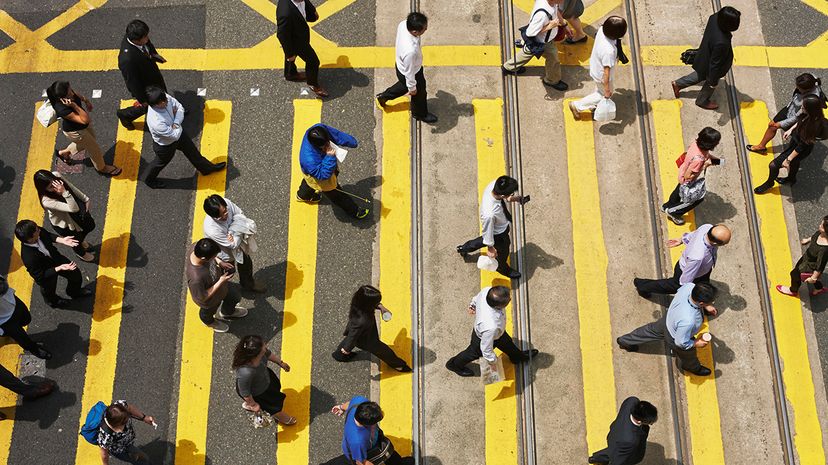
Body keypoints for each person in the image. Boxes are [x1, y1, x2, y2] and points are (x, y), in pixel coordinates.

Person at [619, 283, 716, 377]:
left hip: (668, 319)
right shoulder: (689, 321)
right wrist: (695, 343)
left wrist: (706, 305)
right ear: (701, 303)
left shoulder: (689, 286)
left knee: (648, 331)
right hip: (674, 336)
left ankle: (625, 341)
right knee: (688, 355)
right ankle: (692, 367)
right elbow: (681, 342)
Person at [445, 286, 538, 377]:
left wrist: (472, 305)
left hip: (498, 333)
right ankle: (454, 365)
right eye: (507, 301)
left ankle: (517, 357)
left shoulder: (487, 291)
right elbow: (486, 349)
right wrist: (493, 362)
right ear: (497, 306)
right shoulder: (491, 326)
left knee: (507, 343)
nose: (510, 299)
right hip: (484, 337)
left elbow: (477, 298)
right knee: (472, 353)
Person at [143, 86, 225, 189]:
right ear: (152, 105)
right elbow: (174, 135)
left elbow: (180, 108)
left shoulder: (164, 97)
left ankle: (206, 169)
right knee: (160, 162)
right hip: (165, 145)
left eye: (164, 100)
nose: (164, 103)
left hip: (178, 133)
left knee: (193, 152)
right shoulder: (156, 121)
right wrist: (176, 120)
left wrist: (176, 123)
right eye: (160, 103)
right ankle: (148, 179)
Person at [633, 223, 730, 307]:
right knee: (671, 286)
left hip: (703, 270)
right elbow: (686, 279)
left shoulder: (707, 227)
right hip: (687, 271)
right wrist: (684, 290)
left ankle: (705, 302)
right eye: (724, 243)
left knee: (704, 285)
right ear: (714, 242)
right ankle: (642, 286)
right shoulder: (697, 256)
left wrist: (682, 239)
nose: (726, 244)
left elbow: (695, 233)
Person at [754, 95, 827, 194]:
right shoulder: (811, 115)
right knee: (795, 163)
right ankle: (791, 178)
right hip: (797, 140)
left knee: (773, 165)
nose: (801, 108)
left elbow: (801, 146)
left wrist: (788, 160)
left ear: (810, 109)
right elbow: (801, 120)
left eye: (803, 107)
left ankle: (769, 183)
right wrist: (791, 129)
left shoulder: (813, 127)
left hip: (801, 148)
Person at [46, 81, 121, 176]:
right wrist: (74, 105)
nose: (72, 91)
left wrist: (86, 100)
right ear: (64, 96)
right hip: (76, 132)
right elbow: (85, 120)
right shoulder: (62, 109)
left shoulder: (68, 92)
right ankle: (102, 168)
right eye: (69, 91)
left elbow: (76, 94)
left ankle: (65, 153)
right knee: (94, 149)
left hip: (82, 128)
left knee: (91, 140)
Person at [671, 6, 740, 110]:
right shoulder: (722, 43)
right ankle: (702, 101)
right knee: (708, 80)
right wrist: (713, 82)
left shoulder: (714, 18)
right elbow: (715, 65)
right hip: (713, 62)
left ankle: (678, 84)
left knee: (700, 74)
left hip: (705, 54)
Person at [295, 124, 370, 219]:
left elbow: (336, 134)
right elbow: (323, 175)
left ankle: (303, 195)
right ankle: (354, 211)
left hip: (311, 174)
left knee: (310, 182)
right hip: (321, 178)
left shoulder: (318, 129)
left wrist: (351, 142)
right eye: (325, 145)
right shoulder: (309, 161)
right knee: (336, 195)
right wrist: (330, 157)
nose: (328, 145)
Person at [456, 176, 523, 279]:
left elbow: (504, 198)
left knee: (481, 241)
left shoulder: (494, 185)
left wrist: (515, 199)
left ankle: (464, 248)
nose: (512, 195)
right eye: (511, 193)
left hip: (498, 226)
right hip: (498, 234)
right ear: (501, 195)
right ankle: (502, 268)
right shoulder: (490, 214)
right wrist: (490, 248)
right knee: (503, 252)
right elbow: (487, 231)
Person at [332, 285, 412, 372]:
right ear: (368, 304)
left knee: (349, 342)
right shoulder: (361, 321)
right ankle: (398, 365)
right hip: (366, 340)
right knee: (384, 351)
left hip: (360, 330)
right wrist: (347, 348)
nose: (378, 303)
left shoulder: (358, 302)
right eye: (376, 302)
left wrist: (381, 307)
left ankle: (339, 355)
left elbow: (353, 334)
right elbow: (353, 335)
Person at [375, 12, 437, 124]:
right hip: (411, 71)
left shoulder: (403, 24)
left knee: (403, 85)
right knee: (420, 94)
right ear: (414, 31)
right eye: (424, 28)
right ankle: (420, 114)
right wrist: (412, 88)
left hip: (400, 66)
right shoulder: (410, 51)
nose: (426, 29)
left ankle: (384, 96)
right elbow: (409, 72)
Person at [15, 220, 91, 309]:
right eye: (36, 230)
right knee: (49, 291)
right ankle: (54, 302)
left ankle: (74, 292)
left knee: (75, 274)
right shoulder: (28, 257)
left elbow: (48, 235)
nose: (39, 229)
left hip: (56, 259)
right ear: (30, 239)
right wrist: (59, 268)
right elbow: (39, 276)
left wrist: (62, 240)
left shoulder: (38, 231)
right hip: (46, 273)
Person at [747, 73, 825, 154]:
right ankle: (761, 146)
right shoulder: (811, 79)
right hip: (790, 108)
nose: (796, 88)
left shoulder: (809, 100)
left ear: (807, 90)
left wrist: (781, 124)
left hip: (797, 117)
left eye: (799, 88)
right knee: (771, 125)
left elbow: (797, 116)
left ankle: (794, 154)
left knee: (791, 136)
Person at [501, 0, 569, 92]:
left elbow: (555, 12)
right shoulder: (542, 15)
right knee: (553, 59)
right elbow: (530, 33)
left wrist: (564, 25)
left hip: (545, 39)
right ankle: (552, 80)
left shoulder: (551, 3)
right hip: (542, 42)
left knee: (527, 52)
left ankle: (509, 67)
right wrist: (549, 26)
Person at [203, 195, 265, 293]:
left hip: (240, 247)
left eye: (225, 212)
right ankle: (224, 293)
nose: (224, 216)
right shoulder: (211, 229)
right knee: (227, 274)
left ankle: (248, 284)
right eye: (219, 217)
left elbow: (240, 214)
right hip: (225, 255)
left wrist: (232, 232)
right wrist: (238, 228)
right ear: (212, 216)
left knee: (246, 265)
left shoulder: (227, 203)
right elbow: (232, 245)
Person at [569, 16, 628, 118]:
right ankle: (577, 105)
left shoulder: (602, 29)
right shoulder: (608, 51)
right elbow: (606, 73)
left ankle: (594, 104)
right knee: (602, 94)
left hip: (595, 66)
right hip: (601, 75)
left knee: (599, 90)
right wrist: (607, 90)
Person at [185, 238, 248, 333]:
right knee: (208, 313)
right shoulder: (196, 278)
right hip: (210, 300)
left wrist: (219, 262)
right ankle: (210, 322)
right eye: (214, 256)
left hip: (221, 286)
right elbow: (203, 297)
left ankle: (227, 312)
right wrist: (221, 281)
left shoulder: (196, 247)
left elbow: (212, 258)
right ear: (204, 259)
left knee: (235, 296)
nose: (215, 257)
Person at [661, 127, 722, 225]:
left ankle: (666, 206)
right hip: (688, 181)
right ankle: (674, 212)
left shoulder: (695, 144)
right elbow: (688, 176)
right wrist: (705, 165)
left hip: (682, 172)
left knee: (678, 191)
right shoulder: (699, 160)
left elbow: (706, 155)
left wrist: (719, 161)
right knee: (696, 199)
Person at [34, 170, 96, 262]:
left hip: (75, 215)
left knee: (90, 225)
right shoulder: (47, 201)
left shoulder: (56, 175)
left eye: (55, 183)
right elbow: (73, 208)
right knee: (76, 242)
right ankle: (81, 254)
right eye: (51, 187)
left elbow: (72, 188)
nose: (56, 187)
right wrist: (64, 192)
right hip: (65, 224)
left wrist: (85, 199)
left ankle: (82, 242)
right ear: (44, 189)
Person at [233, 335, 295, 425]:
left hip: (265, 379)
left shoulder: (259, 353)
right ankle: (280, 416)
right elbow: (244, 391)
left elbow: (268, 354)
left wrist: (280, 362)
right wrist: (253, 405)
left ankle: (249, 404)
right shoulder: (246, 372)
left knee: (275, 391)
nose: (265, 347)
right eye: (263, 348)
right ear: (255, 355)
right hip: (259, 392)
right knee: (273, 405)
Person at [116, 20, 167, 130]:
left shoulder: (138, 36)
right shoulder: (127, 60)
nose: (147, 39)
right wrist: (142, 99)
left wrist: (154, 55)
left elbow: (148, 46)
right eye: (145, 37)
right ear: (136, 40)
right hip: (146, 86)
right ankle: (125, 115)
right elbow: (132, 82)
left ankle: (170, 109)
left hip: (153, 75)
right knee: (150, 106)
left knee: (163, 96)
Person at [331, 396, 411, 465]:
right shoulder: (357, 441)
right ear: (367, 425)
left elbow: (351, 403)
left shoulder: (360, 402)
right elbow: (361, 462)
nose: (382, 412)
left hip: (374, 440)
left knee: (389, 451)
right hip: (362, 452)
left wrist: (341, 407)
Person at [276, 0, 328, 97]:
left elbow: (305, 3)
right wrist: (289, 53)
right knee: (313, 61)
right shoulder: (285, 13)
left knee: (291, 56)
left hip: (298, 33)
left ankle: (290, 74)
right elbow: (282, 35)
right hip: (297, 41)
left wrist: (312, 12)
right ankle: (313, 84)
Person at [588, 397, 656, 465]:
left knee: (611, 451)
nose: (651, 424)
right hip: (622, 443)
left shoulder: (631, 401)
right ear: (639, 421)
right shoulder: (630, 440)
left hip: (615, 433)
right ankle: (597, 459)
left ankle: (594, 459)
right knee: (614, 454)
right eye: (649, 422)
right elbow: (619, 461)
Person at [0, 275, 51, 360]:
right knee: (22, 338)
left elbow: (3, 286)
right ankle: (34, 349)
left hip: (13, 301)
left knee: (26, 319)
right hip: (4, 321)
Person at [777, 215, 828, 297]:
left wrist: (813, 278)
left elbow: (820, 266)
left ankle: (793, 290)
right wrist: (807, 240)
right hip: (806, 257)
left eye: (822, 226)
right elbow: (814, 236)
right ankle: (819, 288)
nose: (819, 226)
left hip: (810, 265)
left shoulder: (824, 250)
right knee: (808, 275)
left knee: (794, 274)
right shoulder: (820, 233)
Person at [97, 400, 155, 465]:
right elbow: (104, 453)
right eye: (123, 424)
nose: (126, 424)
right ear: (114, 425)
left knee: (141, 458)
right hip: (120, 450)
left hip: (128, 441)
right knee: (143, 460)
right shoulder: (106, 436)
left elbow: (130, 408)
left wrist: (144, 417)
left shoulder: (121, 405)